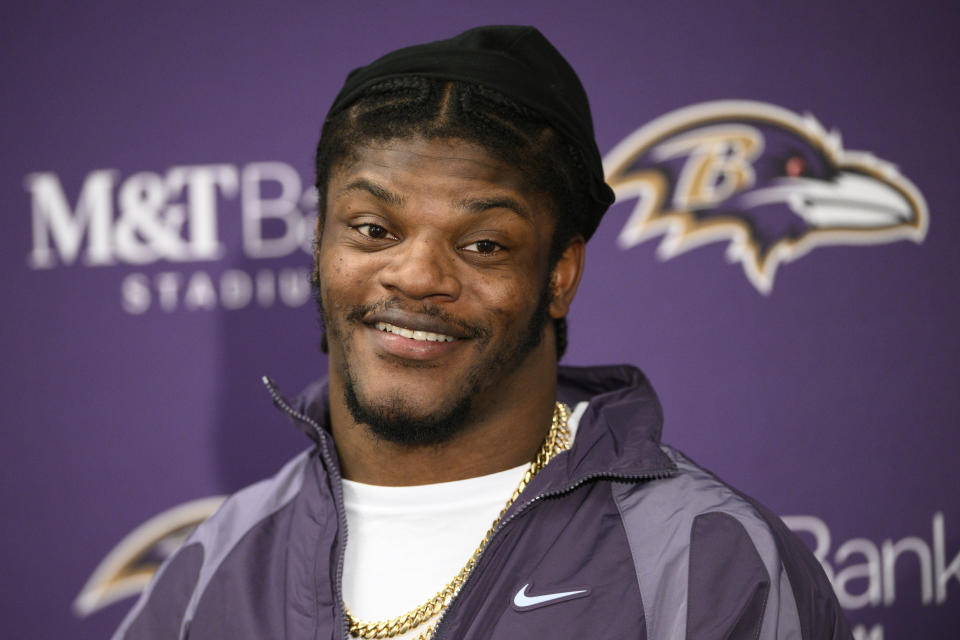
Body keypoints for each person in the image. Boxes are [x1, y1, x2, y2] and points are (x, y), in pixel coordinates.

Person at [113, 25, 852, 640]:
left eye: (483, 245)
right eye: (373, 229)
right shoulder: (210, 568)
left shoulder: (710, 561)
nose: (416, 275)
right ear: (319, 245)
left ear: (559, 275)